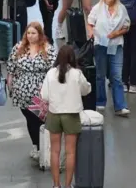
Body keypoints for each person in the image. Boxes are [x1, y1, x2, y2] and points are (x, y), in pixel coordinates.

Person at [41, 45, 91, 188]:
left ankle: (56, 185)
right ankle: (68, 185)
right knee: (70, 152)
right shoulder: (77, 73)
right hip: (72, 115)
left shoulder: (50, 73)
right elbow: (86, 89)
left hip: (54, 114)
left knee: (55, 151)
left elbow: (44, 95)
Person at [7, 22, 57, 159]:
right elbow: (11, 68)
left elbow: (54, 70)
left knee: (39, 120)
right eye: (28, 33)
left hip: (40, 93)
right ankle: (36, 145)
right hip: (21, 92)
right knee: (29, 119)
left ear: (40, 34)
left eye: (33, 33)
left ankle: (43, 146)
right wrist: (10, 87)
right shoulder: (19, 48)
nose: (30, 36)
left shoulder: (48, 49)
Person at [87, 0, 131, 116]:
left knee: (116, 76)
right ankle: (100, 102)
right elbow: (90, 23)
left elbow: (127, 26)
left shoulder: (122, 9)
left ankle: (120, 106)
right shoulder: (97, 8)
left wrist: (116, 34)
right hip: (100, 45)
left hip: (116, 45)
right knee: (100, 75)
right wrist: (91, 33)